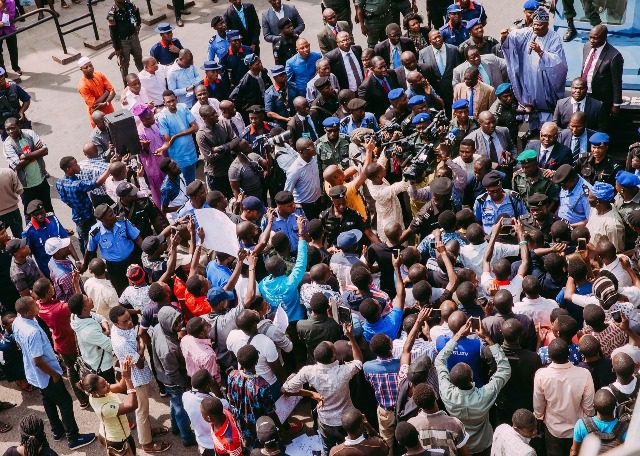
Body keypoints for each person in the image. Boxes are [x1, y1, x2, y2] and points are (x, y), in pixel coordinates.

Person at [12, 296, 96, 450]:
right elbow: (37, 360)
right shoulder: (32, 332)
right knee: (65, 402)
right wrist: (54, 374)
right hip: (46, 374)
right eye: (34, 305)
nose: (38, 304)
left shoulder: (18, 322)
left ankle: (57, 431)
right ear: (28, 311)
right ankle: (74, 438)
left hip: (35, 375)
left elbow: (19, 343)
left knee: (48, 400)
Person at [283, 322, 363, 454]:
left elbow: (286, 389)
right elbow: (359, 361)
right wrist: (351, 337)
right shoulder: (343, 371)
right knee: (347, 450)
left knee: (327, 449)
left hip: (325, 421)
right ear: (333, 357)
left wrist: (310, 394)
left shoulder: (308, 371)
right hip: (346, 421)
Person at [436, 318, 511, 455]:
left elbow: (440, 361)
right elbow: (504, 369)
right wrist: (488, 338)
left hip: (459, 443)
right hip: (483, 444)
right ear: (472, 378)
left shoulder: (447, 393)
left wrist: (457, 335)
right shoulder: (484, 395)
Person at [109, 305, 172, 453]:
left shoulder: (118, 328)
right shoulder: (121, 342)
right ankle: (147, 444)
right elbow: (140, 362)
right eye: (125, 322)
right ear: (116, 323)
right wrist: (142, 345)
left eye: (129, 319)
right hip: (137, 379)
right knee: (142, 411)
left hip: (139, 374)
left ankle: (148, 431)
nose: (129, 323)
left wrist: (138, 340)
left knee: (143, 409)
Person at [501, 7, 567, 131]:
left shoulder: (554, 38)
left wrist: (541, 52)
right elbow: (514, 35)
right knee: (531, 104)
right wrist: (505, 35)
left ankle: (547, 130)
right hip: (529, 76)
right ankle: (533, 129)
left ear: (547, 25)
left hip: (545, 80)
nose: (536, 28)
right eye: (534, 24)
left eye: (539, 25)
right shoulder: (529, 32)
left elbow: (559, 63)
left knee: (545, 110)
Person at [533, 338, 595, 456]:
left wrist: (539, 417)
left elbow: (538, 406)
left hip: (553, 429)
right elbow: (589, 408)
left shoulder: (541, 375)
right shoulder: (584, 374)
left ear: (549, 356)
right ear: (569, 354)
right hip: (578, 428)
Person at [152, 306, 196, 447]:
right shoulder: (168, 349)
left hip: (165, 377)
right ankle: (187, 437)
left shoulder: (159, 327)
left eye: (179, 320)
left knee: (174, 403)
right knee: (181, 409)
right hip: (174, 380)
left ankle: (175, 428)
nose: (180, 325)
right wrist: (185, 384)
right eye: (175, 323)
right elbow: (172, 373)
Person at [82, 356, 139, 454]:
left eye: (106, 382)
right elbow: (132, 405)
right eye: (104, 386)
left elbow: (120, 386)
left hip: (106, 433)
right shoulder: (105, 408)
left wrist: (125, 373)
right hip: (118, 440)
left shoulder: (97, 393)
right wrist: (128, 379)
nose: (108, 385)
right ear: (95, 392)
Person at [83, 204, 143, 295]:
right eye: (111, 215)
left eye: (113, 212)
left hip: (132, 259)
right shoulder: (95, 232)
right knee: (121, 290)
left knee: (140, 285)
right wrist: (84, 265)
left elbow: (137, 239)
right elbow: (90, 250)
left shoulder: (124, 222)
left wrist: (147, 252)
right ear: (102, 220)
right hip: (114, 266)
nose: (114, 215)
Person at [3, 118, 51, 215]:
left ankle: (54, 230)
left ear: (19, 126)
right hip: (26, 187)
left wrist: (25, 156)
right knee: (31, 214)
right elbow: (17, 165)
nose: (10, 131)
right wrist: (35, 151)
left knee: (48, 210)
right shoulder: (7, 144)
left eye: (13, 128)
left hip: (42, 180)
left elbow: (45, 151)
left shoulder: (30, 133)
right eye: (8, 129)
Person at [157, 90, 199, 184]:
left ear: (176, 98)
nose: (172, 103)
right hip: (178, 157)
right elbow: (168, 140)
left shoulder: (183, 107)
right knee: (183, 183)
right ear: (164, 103)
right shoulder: (162, 117)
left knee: (192, 180)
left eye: (173, 100)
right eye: (168, 102)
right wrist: (163, 148)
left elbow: (195, 127)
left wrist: (176, 135)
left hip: (191, 151)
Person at [582, 25, 623, 118]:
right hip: (584, 95)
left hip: (601, 99)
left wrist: (616, 104)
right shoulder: (587, 46)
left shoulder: (614, 56)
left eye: (595, 38)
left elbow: (617, 83)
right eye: (590, 37)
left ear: (604, 38)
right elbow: (584, 68)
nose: (591, 40)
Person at [571, 389, 627, 455]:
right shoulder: (625, 428)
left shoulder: (581, 424)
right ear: (615, 405)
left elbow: (574, 452)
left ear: (594, 406)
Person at [108, 0, 143, 84]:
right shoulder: (112, 14)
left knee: (139, 59)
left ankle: (144, 78)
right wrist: (117, 48)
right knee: (124, 65)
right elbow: (112, 33)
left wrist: (138, 24)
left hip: (134, 37)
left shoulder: (130, 4)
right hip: (123, 42)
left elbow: (137, 13)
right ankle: (126, 84)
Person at [77, 57, 116, 128]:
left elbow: (113, 92)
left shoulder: (99, 74)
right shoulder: (82, 86)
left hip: (110, 111)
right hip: (97, 117)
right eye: (86, 67)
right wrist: (106, 92)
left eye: (90, 65)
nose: (89, 68)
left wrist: (105, 103)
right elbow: (94, 104)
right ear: (81, 70)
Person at [586, 182, 625, 252]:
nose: (587, 199)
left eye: (589, 197)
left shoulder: (613, 226)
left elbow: (615, 254)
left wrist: (594, 250)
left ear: (597, 202)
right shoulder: (594, 209)